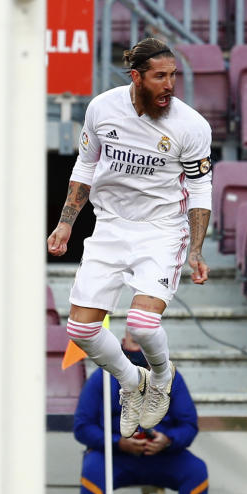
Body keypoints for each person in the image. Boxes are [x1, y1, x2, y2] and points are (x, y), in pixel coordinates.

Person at [47, 36, 212, 438]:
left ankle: (160, 379)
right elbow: (85, 166)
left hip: (161, 231)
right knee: (81, 330)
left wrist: (195, 247)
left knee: (140, 323)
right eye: (160, 76)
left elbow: (202, 188)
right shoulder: (102, 109)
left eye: (173, 75)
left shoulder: (191, 126)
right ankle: (130, 380)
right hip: (109, 227)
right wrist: (67, 222)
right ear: (136, 77)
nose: (169, 84)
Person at [75, 330, 208, 494]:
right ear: (122, 342)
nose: (137, 347)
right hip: (116, 456)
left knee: (196, 470)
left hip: (160, 456)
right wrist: (118, 443)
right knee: (92, 470)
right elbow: (82, 426)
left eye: (143, 341)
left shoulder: (170, 377)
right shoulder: (102, 377)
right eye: (133, 340)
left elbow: (189, 425)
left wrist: (168, 441)